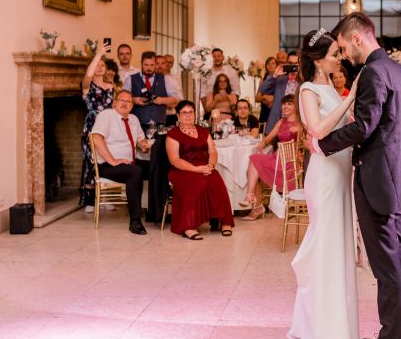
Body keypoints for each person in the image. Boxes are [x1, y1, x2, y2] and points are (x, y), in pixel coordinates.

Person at [315, 12, 401, 339]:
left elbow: (365, 126)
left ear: (358, 39)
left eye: (345, 47)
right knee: (398, 258)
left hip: (377, 175)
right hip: (396, 171)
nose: (345, 55)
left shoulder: (374, 72)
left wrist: (323, 144)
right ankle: (397, 334)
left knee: (385, 263)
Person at [286, 28, 360, 339]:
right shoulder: (307, 89)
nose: (339, 58)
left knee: (338, 246)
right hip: (325, 176)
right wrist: (349, 99)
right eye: (334, 54)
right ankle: (327, 334)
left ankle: (327, 325)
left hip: (341, 171)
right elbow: (317, 130)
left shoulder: (330, 85)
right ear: (318, 59)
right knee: (326, 246)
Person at [166, 101, 234, 239]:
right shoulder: (173, 134)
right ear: (178, 116)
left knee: (216, 181)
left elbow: (213, 151)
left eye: (190, 112)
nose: (188, 115)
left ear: (194, 114)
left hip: (204, 166)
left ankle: (224, 221)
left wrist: (211, 165)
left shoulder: (203, 131)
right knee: (196, 183)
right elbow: (174, 160)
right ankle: (189, 226)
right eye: (184, 113)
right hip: (182, 169)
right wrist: (196, 170)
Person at [90, 90, 151, 235]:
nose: (125, 103)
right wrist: (112, 160)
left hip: (129, 163)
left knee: (156, 167)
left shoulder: (134, 119)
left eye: (128, 101)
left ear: (132, 105)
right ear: (114, 102)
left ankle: (157, 213)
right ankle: (135, 221)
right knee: (135, 171)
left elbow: (140, 139)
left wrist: (143, 144)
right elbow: (96, 138)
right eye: (121, 100)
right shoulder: (106, 115)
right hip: (106, 165)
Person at [240, 95, 300, 219]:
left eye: (289, 104)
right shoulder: (281, 122)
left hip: (290, 160)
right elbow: (268, 138)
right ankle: (251, 196)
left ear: (296, 106)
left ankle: (256, 206)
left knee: (253, 167)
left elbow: (306, 142)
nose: (286, 106)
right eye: (284, 104)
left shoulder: (301, 123)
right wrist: (262, 143)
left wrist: (299, 132)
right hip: (277, 157)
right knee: (254, 163)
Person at [80, 44, 115, 212]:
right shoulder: (87, 85)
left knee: (106, 160)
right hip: (92, 127)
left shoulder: (111, 87)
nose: (100, 67)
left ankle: (105, 197)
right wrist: (99, 54)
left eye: (103, 65)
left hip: (108, 128)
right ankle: (89, 201)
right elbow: (88, 75)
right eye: (97, 65)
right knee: (91, 161)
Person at [123, 51, 177, 131]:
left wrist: (162, 100)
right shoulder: (130, 79)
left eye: (152, 65)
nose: (149, 68)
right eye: (146, 65)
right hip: (137, 125)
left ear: (155, 64)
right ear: (141, 64)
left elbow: (175, 100)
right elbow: (122, 99)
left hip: (160, 126)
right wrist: (133, 100)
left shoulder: (165, 79)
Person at [258, 53, 300, 132]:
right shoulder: (280, 79)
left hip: (296, 126)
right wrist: (274, 75)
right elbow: (262, 90)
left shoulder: (305, 82)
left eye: (296, 63)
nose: (293, 66)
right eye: (290, 63)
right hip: (276, 124)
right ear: (286, 64)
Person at [156, 55, 183, 125]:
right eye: (157, 63)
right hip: (156, 117)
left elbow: (179, 98)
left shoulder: (172, 79)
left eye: (162, 63)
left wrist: (170, 102)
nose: (160, 66)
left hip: (170, 115)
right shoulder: (149, 80)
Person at [256, 56, 278, 125]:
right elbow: (257, 98)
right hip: (265, 110)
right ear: (266, 66)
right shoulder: (263, 80)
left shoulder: (280, 79)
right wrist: (264, 97)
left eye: (273, 63)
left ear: (277, 65)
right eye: (268, 64)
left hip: (275, 110)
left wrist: (272, 98)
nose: (270, 66)